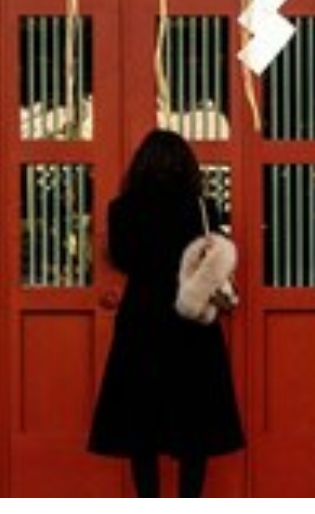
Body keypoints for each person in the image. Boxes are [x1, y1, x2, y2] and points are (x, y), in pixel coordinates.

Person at [88, 129, 245, 497]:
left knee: (141, 426)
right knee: (195, 427)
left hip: (141, 322)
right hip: (191, 323)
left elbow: (123, 259)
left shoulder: (121, 209)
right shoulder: (203, 208)